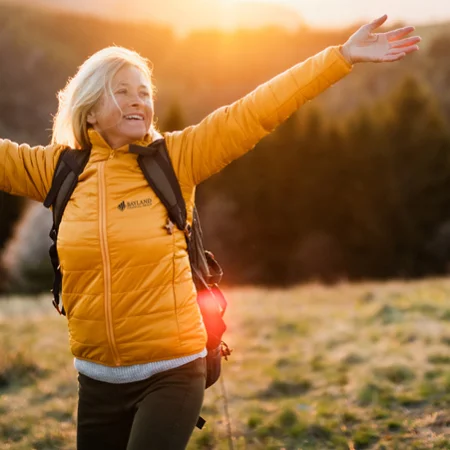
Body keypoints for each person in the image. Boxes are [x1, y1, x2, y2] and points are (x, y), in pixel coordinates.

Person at [0, 14, 420, 450]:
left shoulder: (176, 160)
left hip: (173, 372)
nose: (138, 101)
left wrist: (339, 58)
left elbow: (257, 110)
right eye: (122, 90)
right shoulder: (57, 171)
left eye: (144, 92)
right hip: (96, 379)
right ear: (89, 104)